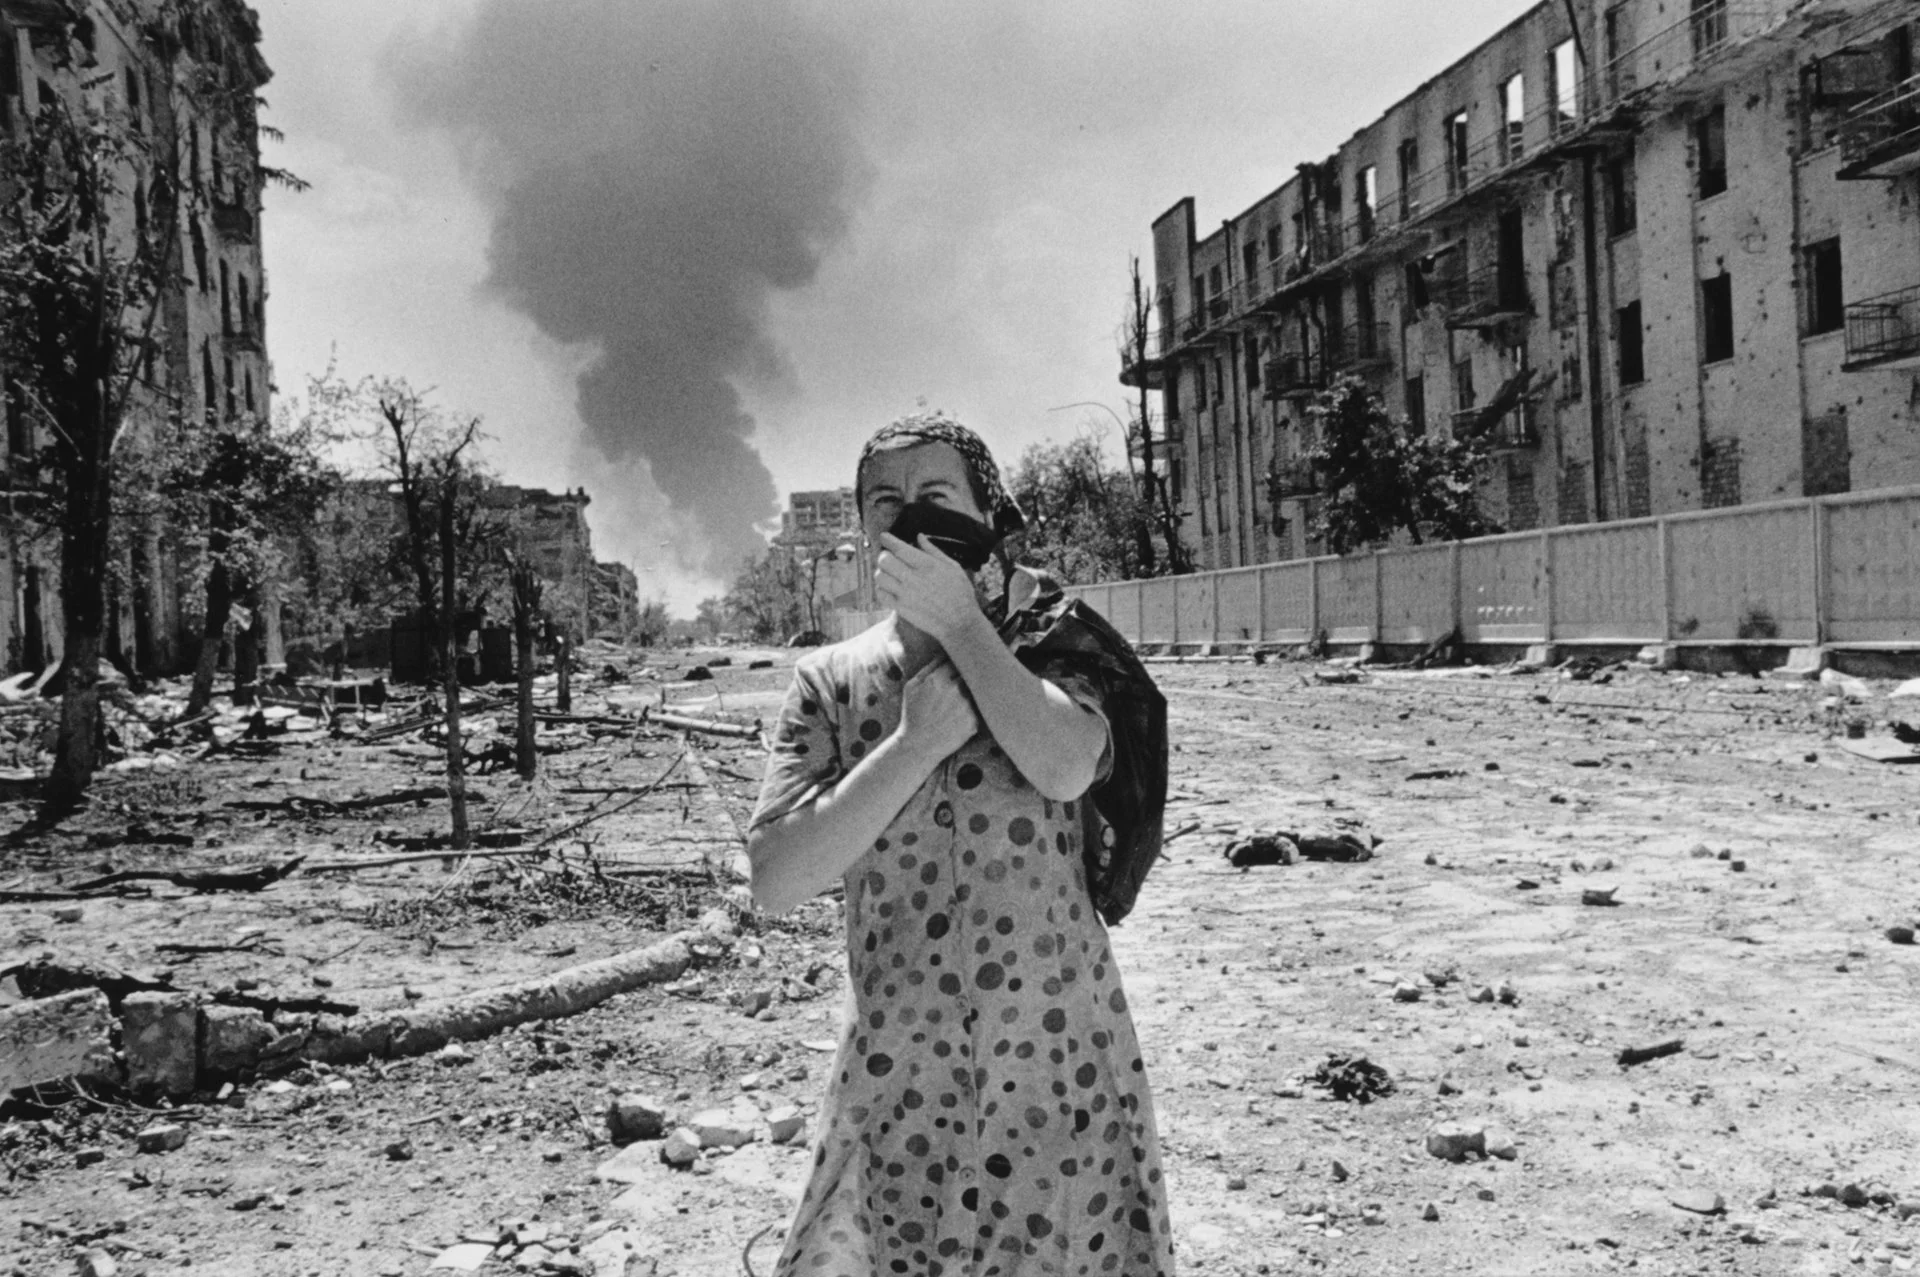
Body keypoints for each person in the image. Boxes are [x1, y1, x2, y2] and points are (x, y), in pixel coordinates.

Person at [746, 412, 1174, 1277]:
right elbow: (778, 877)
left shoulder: (1054, 645)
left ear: (988, 510)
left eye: (936, 495)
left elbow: (1063, 764)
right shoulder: (830, 682)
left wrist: (968, 632)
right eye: (885, 501)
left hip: (1058, 1067)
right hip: (902, 1074)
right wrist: (911, 746)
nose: (909, 516)